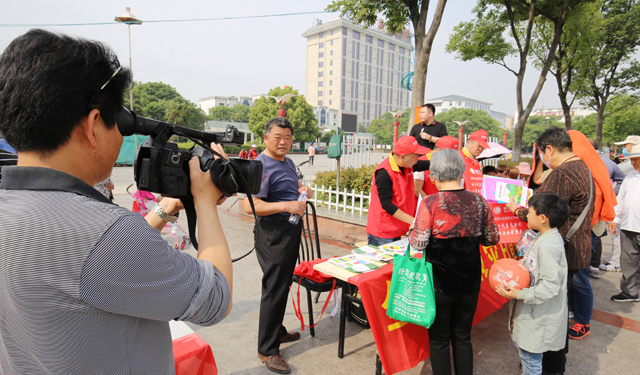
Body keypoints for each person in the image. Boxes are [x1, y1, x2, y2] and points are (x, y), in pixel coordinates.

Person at [0, 29, 232, 374]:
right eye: (119, 121)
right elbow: (216, 298)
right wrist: (206, 200)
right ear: (94, 125)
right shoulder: (106, 235)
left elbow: (96, 267)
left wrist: (165, 208)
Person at [506, 128, 594, 374]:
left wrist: (516, 209)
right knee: (560, 306)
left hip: (564, 246)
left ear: (549, 149)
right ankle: (551, 361)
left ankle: (547, 364)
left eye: (542, 153)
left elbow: (540, 207)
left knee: (552, 308)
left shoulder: (563, 173)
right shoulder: (583, 167)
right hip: (577, 244)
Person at [409, 148, 500, 375]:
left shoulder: (431, 203)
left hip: (439, 284)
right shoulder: (479, 201)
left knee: (439, 340)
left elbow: (418, 244)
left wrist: (414, 231)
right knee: (462, 336)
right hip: (469, 281)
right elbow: (492, 239)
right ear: (461, 172)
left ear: (434, 175)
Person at [243, 117, 313, 374]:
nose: (283, 142)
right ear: (265, 138)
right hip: (272, 234)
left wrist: (301, 189)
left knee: (282, 284)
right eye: (277, 137)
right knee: (274, 288)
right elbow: (254, 206)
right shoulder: (260, 165)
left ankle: (278, 331)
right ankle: (267, 349)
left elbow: (289, 187)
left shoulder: (288, 161)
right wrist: (286, 205)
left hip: (289, 230)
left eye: (287, 137)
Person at [496, 192, 570, 375]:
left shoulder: (548, 246)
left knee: (531, 363)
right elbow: (531, 264)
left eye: (530, 211)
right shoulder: (544, 237)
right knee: (530, 360)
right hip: (535, 314)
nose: (526, 214)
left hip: (539, 317)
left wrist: (519, 294)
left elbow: (550, 286)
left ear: (543, 218)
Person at [367, 136, 430, 246]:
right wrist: (414, 221)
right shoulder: (384, 172)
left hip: (397, 227)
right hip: (382, 232)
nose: (418, 158)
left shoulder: (407, 165)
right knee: (382, 263)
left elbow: (425, 164)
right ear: (402, 157)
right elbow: (386, 204)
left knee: (395, 262)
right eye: (416, 155)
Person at [587, 138, 625, 278]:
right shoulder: (608, 163)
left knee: (592, 237)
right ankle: (594, 266)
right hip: (600, 207)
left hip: (591, 208)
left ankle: (590, 266)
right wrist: (610, 194)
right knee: (597, 235)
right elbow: (622, 179)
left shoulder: (586, 161)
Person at [608, 143, 640, 302]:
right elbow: (621, 200)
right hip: (629, 226)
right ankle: (630, 292)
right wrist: (615, 219)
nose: (632, 163)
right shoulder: (630, 177)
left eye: (635, 159)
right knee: (628, 261)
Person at [460, 129, 491, 194]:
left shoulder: (474, 160)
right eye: (479, 146)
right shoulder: (458, 158)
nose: (480, 149)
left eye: (483, 147)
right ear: (468, 142)